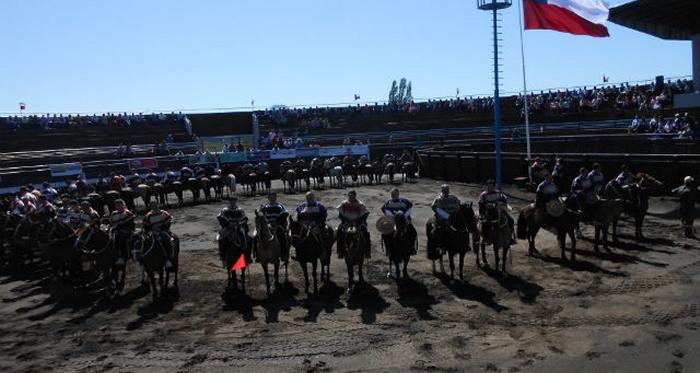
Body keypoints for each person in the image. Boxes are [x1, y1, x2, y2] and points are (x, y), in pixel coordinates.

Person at [477, 179, 516, 244]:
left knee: (511, 220)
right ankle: (485, 238)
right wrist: (487, 204)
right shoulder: (483, 194)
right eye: (489, 186)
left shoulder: (498, 193)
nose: (490, 188)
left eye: (491, 186)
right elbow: (481, 202)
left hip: (499, 210)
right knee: (485, 223)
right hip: (488, 211)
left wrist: (502, 203)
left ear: (494, 186)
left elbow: (504, 199)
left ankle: (510, 237)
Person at [381, 187, 418, 254]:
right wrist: (394, 217)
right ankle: (388, 248)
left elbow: (409, 209)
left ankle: (412, 247)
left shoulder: (404, 201)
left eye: (395, 195)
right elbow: (386, 211)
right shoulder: (388, 202)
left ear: (398, 194)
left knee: (412, 230)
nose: (394, 196)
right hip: (392, 220)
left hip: (404, 219)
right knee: (385, 232)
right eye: (392, 195)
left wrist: (403, 216)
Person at [337, 190, 371, 259]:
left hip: (358, 223)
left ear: (355, 196)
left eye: (352, 196)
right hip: (346, 222)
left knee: (366, 233)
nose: (350, 197)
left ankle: (367, 251)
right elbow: (340, 214)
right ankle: (340, 251)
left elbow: (365, 214)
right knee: (339, 232)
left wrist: (358, 222)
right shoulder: (344, 203)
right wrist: (344, 221)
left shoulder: (360, 204)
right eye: (349, 196)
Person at [142, 201, 175, 269]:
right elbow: (145, 225)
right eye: (153, 206)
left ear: (158, 205)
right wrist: (152, 229)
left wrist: (161, 228)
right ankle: (143, 261)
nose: (155, 207)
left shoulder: (164, 213)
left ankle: (168, 259)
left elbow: (168, 222)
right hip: (152, 232)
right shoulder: (148, 215)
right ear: (151, 207)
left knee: (166, 241)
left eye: (156, 205)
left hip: (163, 231)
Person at [430, 184, 461, 249]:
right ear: (442, 190)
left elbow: (458, 204)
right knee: (440, 229)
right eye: (444, 190)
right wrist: (446, 216)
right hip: (443, 218)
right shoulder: (438, 199)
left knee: (463, 227)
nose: (446, 191)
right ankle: (441, 246)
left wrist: (455, 212)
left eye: (447, 190)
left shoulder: (453, 198)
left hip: (453, 217)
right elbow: (434, 207)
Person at [259, 192, 290, 258]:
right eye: (271, 197)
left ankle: (283, 252)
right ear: (268, 198)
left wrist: (277, 223)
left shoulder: (280, 206)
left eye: (274, 197)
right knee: (258, 236)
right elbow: (260, 214)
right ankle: (258, 254)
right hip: (267, 225)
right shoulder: (264, 206)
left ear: (276, 198)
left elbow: (284, 215)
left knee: (282, 236)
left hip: (277, 225)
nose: (272, 199)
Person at [109, 199, 136, 266]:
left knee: (120, 238)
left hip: (126, 230)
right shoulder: (113, 213)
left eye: (119, 205)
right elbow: (111, 222)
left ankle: (123, 256)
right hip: (116, 230)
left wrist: (120, 225)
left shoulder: (127, 213)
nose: (118, 206)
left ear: (123, 205)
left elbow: (131, 223)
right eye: (117, 205)